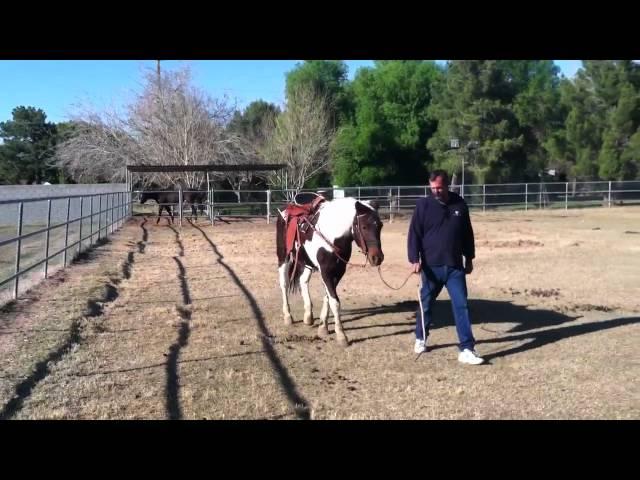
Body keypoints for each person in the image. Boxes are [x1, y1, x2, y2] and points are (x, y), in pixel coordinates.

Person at [407, 169, 484, 365]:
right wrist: (414, 258)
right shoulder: (423, 206)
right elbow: (414, 233)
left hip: (454, 267)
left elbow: (467, 234)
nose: (436, 191)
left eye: (439, 187)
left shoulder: (460, 204)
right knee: (426, 304)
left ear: (447, 185)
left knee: (461, 305)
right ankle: (420, 338)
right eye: (433, 188)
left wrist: (470, 258)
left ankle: (467, 348)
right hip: (431, 267)